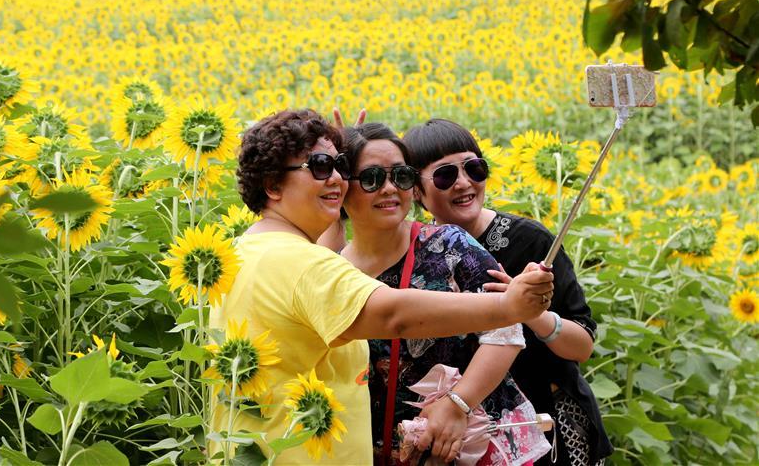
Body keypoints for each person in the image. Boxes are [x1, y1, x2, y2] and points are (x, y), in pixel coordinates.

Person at [211, 109, 554, 465]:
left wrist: (459, 402)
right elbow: (393, 314)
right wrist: (508, 306)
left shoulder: (238, 253)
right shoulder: (305, 263)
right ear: (272, 185)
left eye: (340, 168)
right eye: (320, 167)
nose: (336, 180)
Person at [402, 119, 612, 466]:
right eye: (445, 176)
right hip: (467, 436)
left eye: (474, 168)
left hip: (547, 428)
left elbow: (582, 344)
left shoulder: (530, 242)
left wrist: (530, 312)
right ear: (416, 191)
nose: (464, 183)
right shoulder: (418, 253)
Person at [339, 123, 551, 465]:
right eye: (371, 178)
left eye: (402, 176)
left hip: (474, 442)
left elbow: (506, 329)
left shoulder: (448, 245)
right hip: (386, 450)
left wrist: (458, 403)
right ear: (342, 187)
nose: (390, 189)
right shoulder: (334, 271)